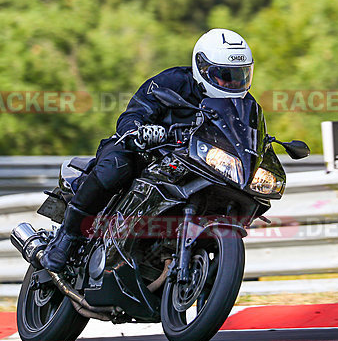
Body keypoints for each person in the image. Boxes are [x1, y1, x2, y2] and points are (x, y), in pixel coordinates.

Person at [41, 28, 255, 272]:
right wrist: (139, 131)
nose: (232, 84)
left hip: (197, 164)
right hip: (147, 152)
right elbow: (135, 111)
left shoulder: (245, 105)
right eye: (224, 76)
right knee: (116, 167)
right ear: (202, 68)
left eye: (240, 76)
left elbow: (247, 138)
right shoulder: (172, 82)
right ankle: (67, 239)